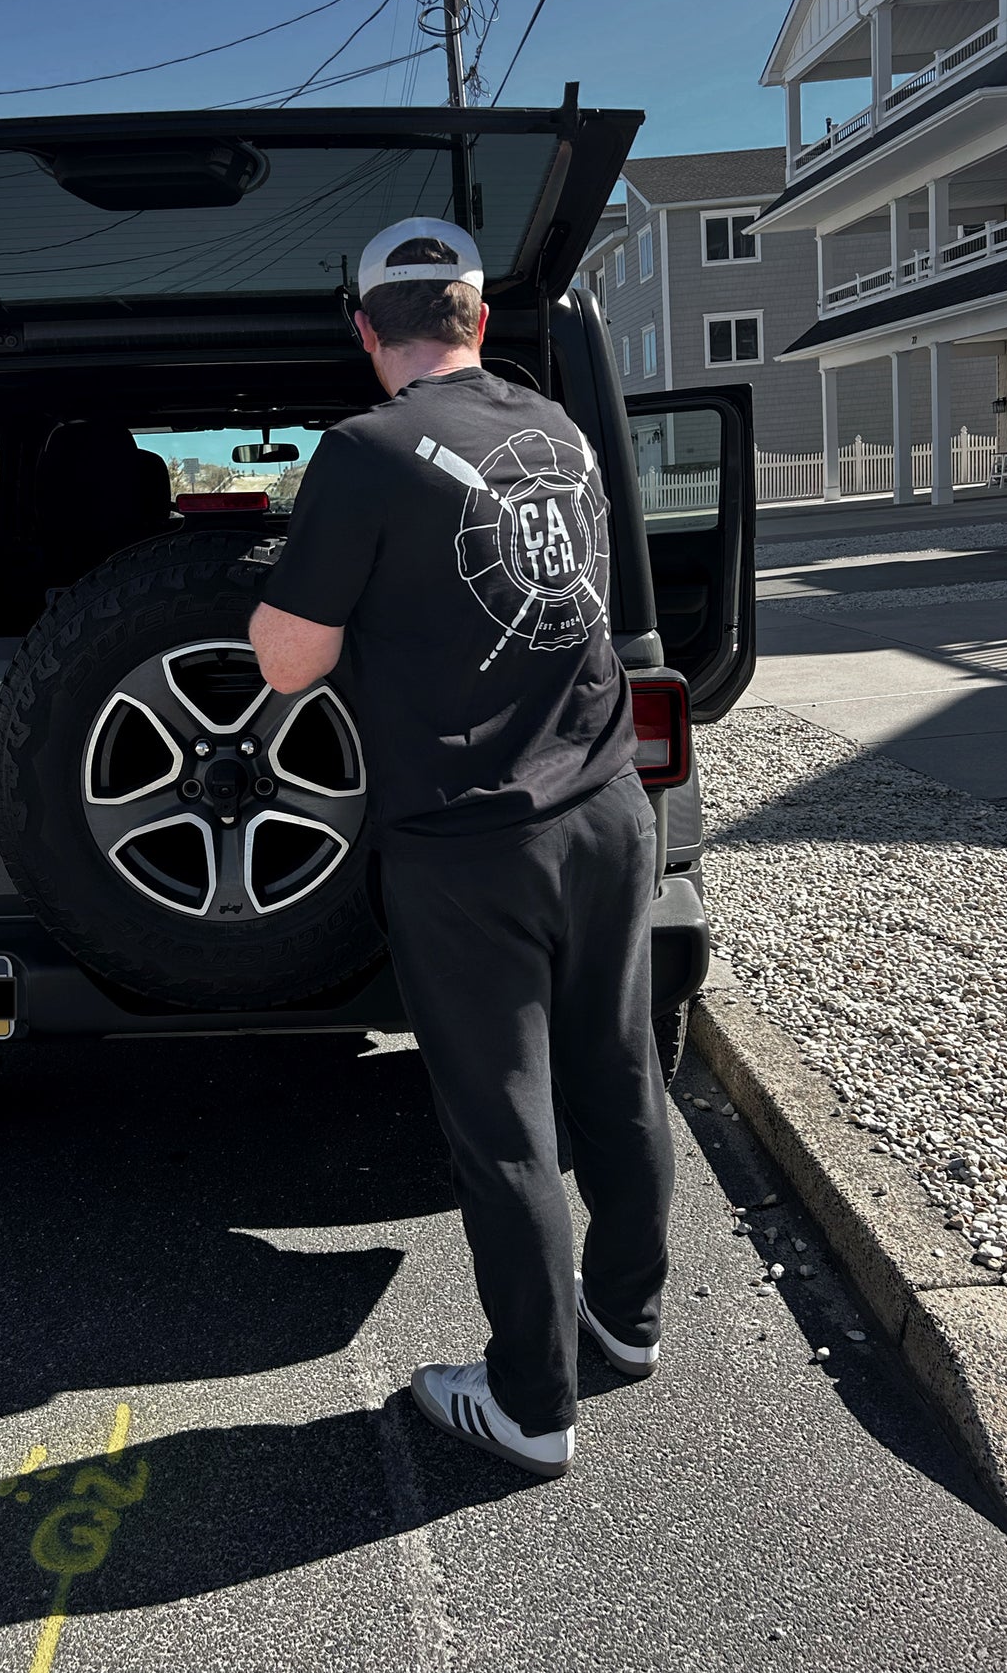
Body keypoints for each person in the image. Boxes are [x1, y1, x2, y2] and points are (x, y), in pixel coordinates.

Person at [248, 218, 673, 1479]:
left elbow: (288, 657)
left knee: (504, 1128)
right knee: (618, 1072)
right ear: (478, 319)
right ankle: (630, 1319)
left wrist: (275, 575)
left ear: (366, 332)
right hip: (606, 810)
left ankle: (530, 1403)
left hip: (467, 845)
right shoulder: (559, 432)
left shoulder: (363, 453)